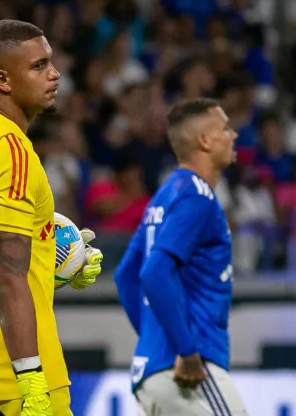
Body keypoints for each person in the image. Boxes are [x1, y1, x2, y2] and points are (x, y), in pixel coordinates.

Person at [0, 20, 103, 416]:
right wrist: (33, 384)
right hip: (10, 375)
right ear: (3, 79)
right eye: (39, 65)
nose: (54, 73)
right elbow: (7, 278)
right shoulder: (11, 150)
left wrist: (55, 262)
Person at [114, 98, 248, 415]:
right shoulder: (197, 197)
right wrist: (185, 348)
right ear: (204, 140)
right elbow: (154, 273)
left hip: (153, 370)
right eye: (225, 128)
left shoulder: (166, 194)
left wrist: (153, 338)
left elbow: (126, 275)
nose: (234, 135)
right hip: (189, 370)